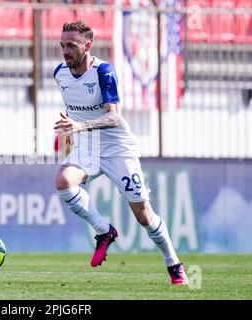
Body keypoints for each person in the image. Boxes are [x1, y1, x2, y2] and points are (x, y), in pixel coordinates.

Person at [53, 20, 188, 285]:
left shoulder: (104, 71)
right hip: (87, 147)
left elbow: (113, 118)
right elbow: (72, 111)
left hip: (118, 149)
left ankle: (174, 264)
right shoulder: (60, 73)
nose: (65, 51)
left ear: (87, 46)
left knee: (144, 216)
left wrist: (80, 125)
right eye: (62, 45)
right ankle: (104, 231)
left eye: (71, 45)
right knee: (63, 182)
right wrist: (68, 144)